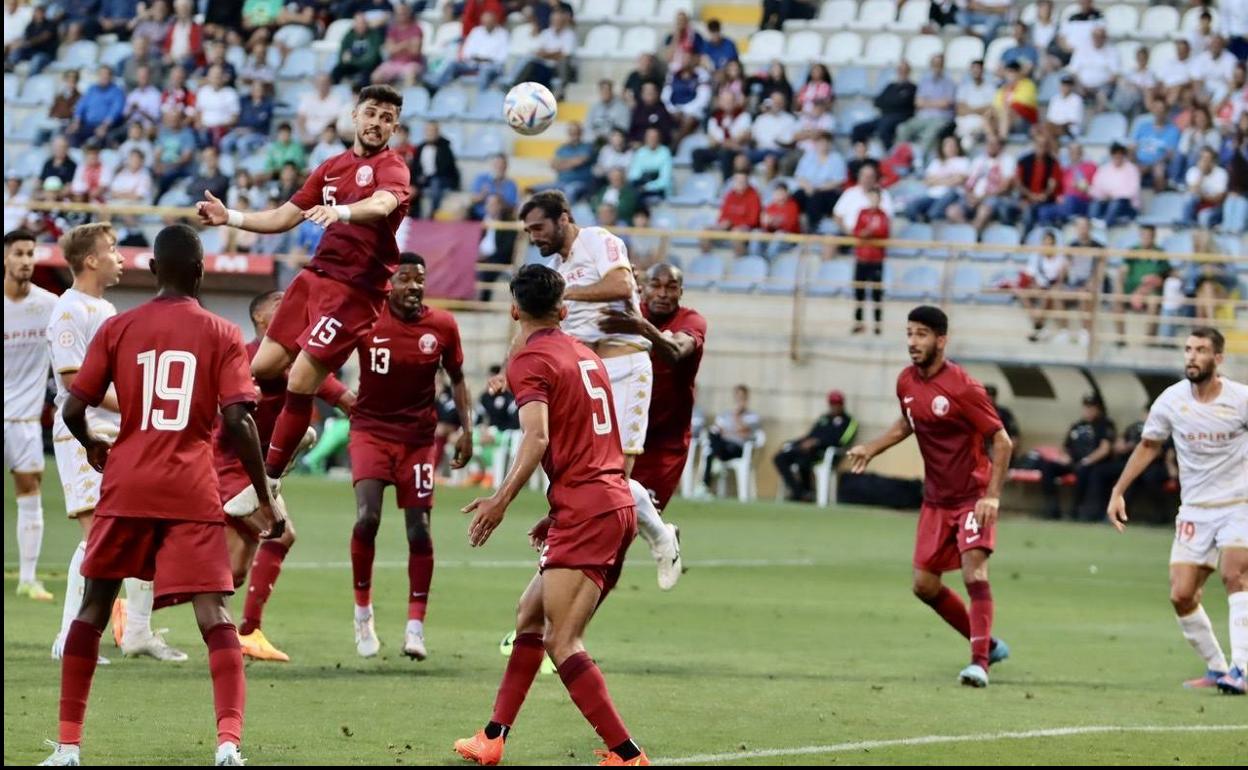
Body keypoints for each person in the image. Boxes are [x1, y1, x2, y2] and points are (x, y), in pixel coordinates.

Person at [37, 224, 285, 768]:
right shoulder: (221, 332)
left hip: (128, 482)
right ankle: (227, 746)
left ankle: (69, 747)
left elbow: (73, 408)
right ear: (199, 272)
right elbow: (239, 421)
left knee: (94, 607)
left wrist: (95, 448)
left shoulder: (118, 327)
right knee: (214, 613)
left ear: (153, 269)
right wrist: (263, 494)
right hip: (191, 488)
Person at [452, 264, 649, 767]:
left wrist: (500, 501)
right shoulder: (586, 356)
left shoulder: (529, 359)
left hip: (590, 509)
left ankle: (627, 755)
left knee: (563, 641)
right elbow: (590, 442)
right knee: (530, 616)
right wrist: (558, 509)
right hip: (602, 501)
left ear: (514, 309)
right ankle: (493, 737)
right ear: (563, 311)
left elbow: (537, 438)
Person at [196, 84, 411, 516]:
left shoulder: (393, 168)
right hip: (313, 279)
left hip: (354, 292)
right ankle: (290, 445)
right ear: (355, 116)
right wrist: (231, 218)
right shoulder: (331, 168)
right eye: (371, 113)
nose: (377, 123)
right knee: (259, 371)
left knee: (300, 382)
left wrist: (343, 212)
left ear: (395, 127)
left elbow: (383, 203)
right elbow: (284, 215)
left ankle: (267, 483)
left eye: (387, 118)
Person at [515, 191, 682, 589]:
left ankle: (660, 536)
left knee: (614, 478)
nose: (534, 236)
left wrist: (564, 293)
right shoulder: (556, 265)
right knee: (589, 473)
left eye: (539, 227)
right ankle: (572, 546)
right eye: (527, 231)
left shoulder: (597, 240)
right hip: (592, 372)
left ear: (564, 219)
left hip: (626, 366)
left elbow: (622, 284)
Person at [847, 305, 1013, 687]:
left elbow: (1001, 441)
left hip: (972, 495)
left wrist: (992, 496)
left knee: (974, 572)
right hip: (936, 499)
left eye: (921, 334)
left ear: (941, 340)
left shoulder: (964, 387)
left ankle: (979, 663)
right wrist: (873, 448)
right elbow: (909, 421)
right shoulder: (906, 381)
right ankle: (987, 641)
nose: (912, 342)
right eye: (909, 333)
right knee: (924, 585)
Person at [47, 223, 186, 664]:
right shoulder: (69, 310)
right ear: (90, 260)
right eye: (112, 249)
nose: (121, 256)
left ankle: (138, 633)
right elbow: (73, 382)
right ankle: (69, 637)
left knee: (140, 529)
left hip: (118, 431)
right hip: (83, 431)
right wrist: (133, 405)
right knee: (98, 537)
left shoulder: (104, 308)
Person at [211, 290, 354, 663]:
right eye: (279, 304)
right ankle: (248, 631)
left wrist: (366, 410)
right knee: (282, 533)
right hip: (228, 466)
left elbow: (337, 393)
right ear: (260, 319)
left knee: (235, 572)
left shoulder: (299, 362)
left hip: (261, 470)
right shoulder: (242, 358)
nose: (291, 308)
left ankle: (137, 605)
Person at [1107, 327, 1247, 695]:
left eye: (1201, 350)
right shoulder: (1170, 401)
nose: (1191, 356)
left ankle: (1243, 669)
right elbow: (1149, 446)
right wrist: (1119, 490)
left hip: (1239, 504)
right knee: (1181, 594)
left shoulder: (1241, 400)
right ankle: (1218, 668)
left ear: (1218, 358)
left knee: (1235, 575)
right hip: (1195, 510)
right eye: (1187, 349)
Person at [348, 253, 473, 661]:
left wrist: (467, 430)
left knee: (418, 531)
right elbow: (319, 360)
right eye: (405, 278)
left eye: (420, 279)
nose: (414, 286)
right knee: (367, 518)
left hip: (417, 440)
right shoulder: (366, 318)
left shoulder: (442, 326)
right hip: (370, 432)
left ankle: (414, 628)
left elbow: (457, 379)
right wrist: (338, 396)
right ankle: (362, 612)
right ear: (389, 283)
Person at [599, 262, 707, 524]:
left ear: (680, 292)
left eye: (671, 287)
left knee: (636, 521)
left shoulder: (691, 321)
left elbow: (677, 352)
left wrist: (643, 329)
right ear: (643, 289)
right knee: (608, 518)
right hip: (624, 435)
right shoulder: (632, 313)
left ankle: (663, 536)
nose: (663, 293)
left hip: (665, 442)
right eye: (655, 285)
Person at [4, 229, 57, 602]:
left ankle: (27, 577)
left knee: (30, 492)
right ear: (5, 259)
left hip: (24, 421)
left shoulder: (50, 305)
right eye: (19, 253)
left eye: (30, 253)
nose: (25, 260)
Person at [1040, 393, 1116, 521]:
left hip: (1092, 464)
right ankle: (1052, 508)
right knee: (1047, 466)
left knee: (1084, 471)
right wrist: (1065, 457)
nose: (1088, 411)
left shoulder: (1105, 424)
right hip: (1073, 462)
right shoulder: (1077, 425)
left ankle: (1076, 510)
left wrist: (1087, 460)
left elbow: (1105, 449)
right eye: (1086, 407)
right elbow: (1065, 447)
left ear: (1098, 409)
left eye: (1091, 408)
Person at [773, 390, 858, 503]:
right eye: (832, 403)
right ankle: (799, 492)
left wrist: (817, 442)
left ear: (842, 404)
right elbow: (810, 435)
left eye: (837, 403)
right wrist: (794, 443)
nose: (834, 406)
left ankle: (806, 493)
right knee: (780, 458)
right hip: (807, 450)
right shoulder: (824, 418)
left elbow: (842, 442)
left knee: (803, 461)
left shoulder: (849, 422)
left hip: (824, 454)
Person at [703, 384, 761, 491]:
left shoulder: (752, 416)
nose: (739, 399)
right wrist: (733, 432)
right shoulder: (726, 414)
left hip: (737, 448)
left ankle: (717, 458)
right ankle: (705, 487)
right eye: (738, 396)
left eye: (742, 397)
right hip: (723, 446)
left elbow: (744, 431)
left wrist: (736, 416)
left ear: (746, 398)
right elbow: (718, 430)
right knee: (711, 438)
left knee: (712, 451)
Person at [852, 188, 890, 335]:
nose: (873, 201)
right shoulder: (862, 213)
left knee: (876, 293)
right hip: (862, 257)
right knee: (859, 292)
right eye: (871, 198)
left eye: (876, 198)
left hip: (876, 259)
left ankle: (877, 325)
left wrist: (871, 232)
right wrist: (863, 233)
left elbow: (884, 233)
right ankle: (858, 323)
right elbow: (856, 231)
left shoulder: (883, 215)